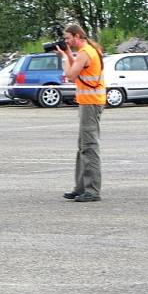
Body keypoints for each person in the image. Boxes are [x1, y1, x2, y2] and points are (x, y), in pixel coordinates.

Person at [56, 23, 106, 202]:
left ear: (77, 36)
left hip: (90, 103)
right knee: (83, 146)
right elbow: (78, 71)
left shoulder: (85, 53)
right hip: (90, 102)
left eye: (68, 38)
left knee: (89, 146)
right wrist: (69, 54)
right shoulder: (90, 50)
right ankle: (81, 187)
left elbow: (70, 75)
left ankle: (92, 190)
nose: (67, 42)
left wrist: (63, 57)